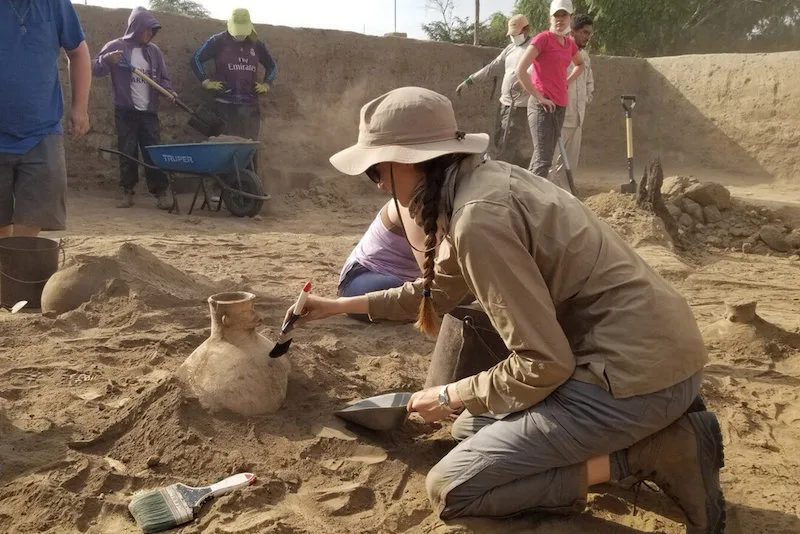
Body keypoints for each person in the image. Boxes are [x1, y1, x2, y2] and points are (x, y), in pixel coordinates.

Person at [283, 86, 725, 532]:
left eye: (376, 169)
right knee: (466, 431)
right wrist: (336, 306)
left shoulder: (480, 219)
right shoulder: (475, 185)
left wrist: (446, 395)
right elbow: (431, 294)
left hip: (633, 379)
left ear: (411, 161)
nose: (377, 183)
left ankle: (651, 452)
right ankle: (649, 436)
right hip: (648, 358)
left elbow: (543, 364)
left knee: (456, 488)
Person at [0, 0, 91, 237]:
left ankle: (19, 267)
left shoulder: (56, 4)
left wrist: (79, 108)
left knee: (30, 226)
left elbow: (78, 52)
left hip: (42, 131)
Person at [92, 7, 175, 210]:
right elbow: (94, 68)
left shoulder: (153, 52)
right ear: (136, 27)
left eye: (152, 30)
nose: (149, 34)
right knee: (127, 152)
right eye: (147, 29)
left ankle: (160, 192)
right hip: (125, 111)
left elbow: (163, 79)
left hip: (149, 112)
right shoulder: (116, 47)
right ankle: (127, 192)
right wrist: (106, 60)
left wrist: (168, 91)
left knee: (152, 152)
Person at [191, 8, 277, 172]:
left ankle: (250, 185)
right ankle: (223, 189)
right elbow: (196, 59)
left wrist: (267, 84)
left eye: (243, 32)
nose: (240, 35)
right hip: (224, 105)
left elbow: (272, 66)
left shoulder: (257, 45)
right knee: (225, 147)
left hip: (249, 105)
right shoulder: (217, 41)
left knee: (250, 146)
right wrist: (205, 81)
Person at [515, 0, 584, 180]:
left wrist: (566, 82)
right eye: (556, 15)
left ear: (571, 18)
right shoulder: (543, 39)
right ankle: (530, 201)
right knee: (543, 158)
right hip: (541, 106)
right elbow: (520, 70)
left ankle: (530, 196)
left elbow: (580, 64)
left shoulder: (569, 44)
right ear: (550, 18)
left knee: (545, 157)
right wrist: (539, 97)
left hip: (559, 105)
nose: (559, 20)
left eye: (564, 15)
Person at [455, 15, 533, 168]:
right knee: (499, 140)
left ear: (526, 29)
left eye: (516, 34)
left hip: (519, 105)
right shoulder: (510, 49)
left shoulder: (533, 47)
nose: (513, 37)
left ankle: (505, 174)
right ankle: (515, 167)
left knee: (508, 142)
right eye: (511, 34)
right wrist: (470, 80)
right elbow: (493, 67)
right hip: (505, 102)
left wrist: (525, 82)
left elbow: (538, 70)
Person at [338, 200, 424, 321]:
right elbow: (436, 273)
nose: (380, 186)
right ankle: (337, 306)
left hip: (409, 281)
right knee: (411, 293)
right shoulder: (408, 206)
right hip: (364, 277)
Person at [550, 13, 595, 191]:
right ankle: (548, 195)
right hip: (559, 115)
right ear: (573, 31)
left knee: (570, 162)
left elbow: (589, 81)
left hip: (577, 118)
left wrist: (586, 98)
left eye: (589, 33)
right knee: (551, 160)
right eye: (584, 32)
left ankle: (565, 195)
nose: (587, 36)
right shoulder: (559, 51)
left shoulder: (585, 56)